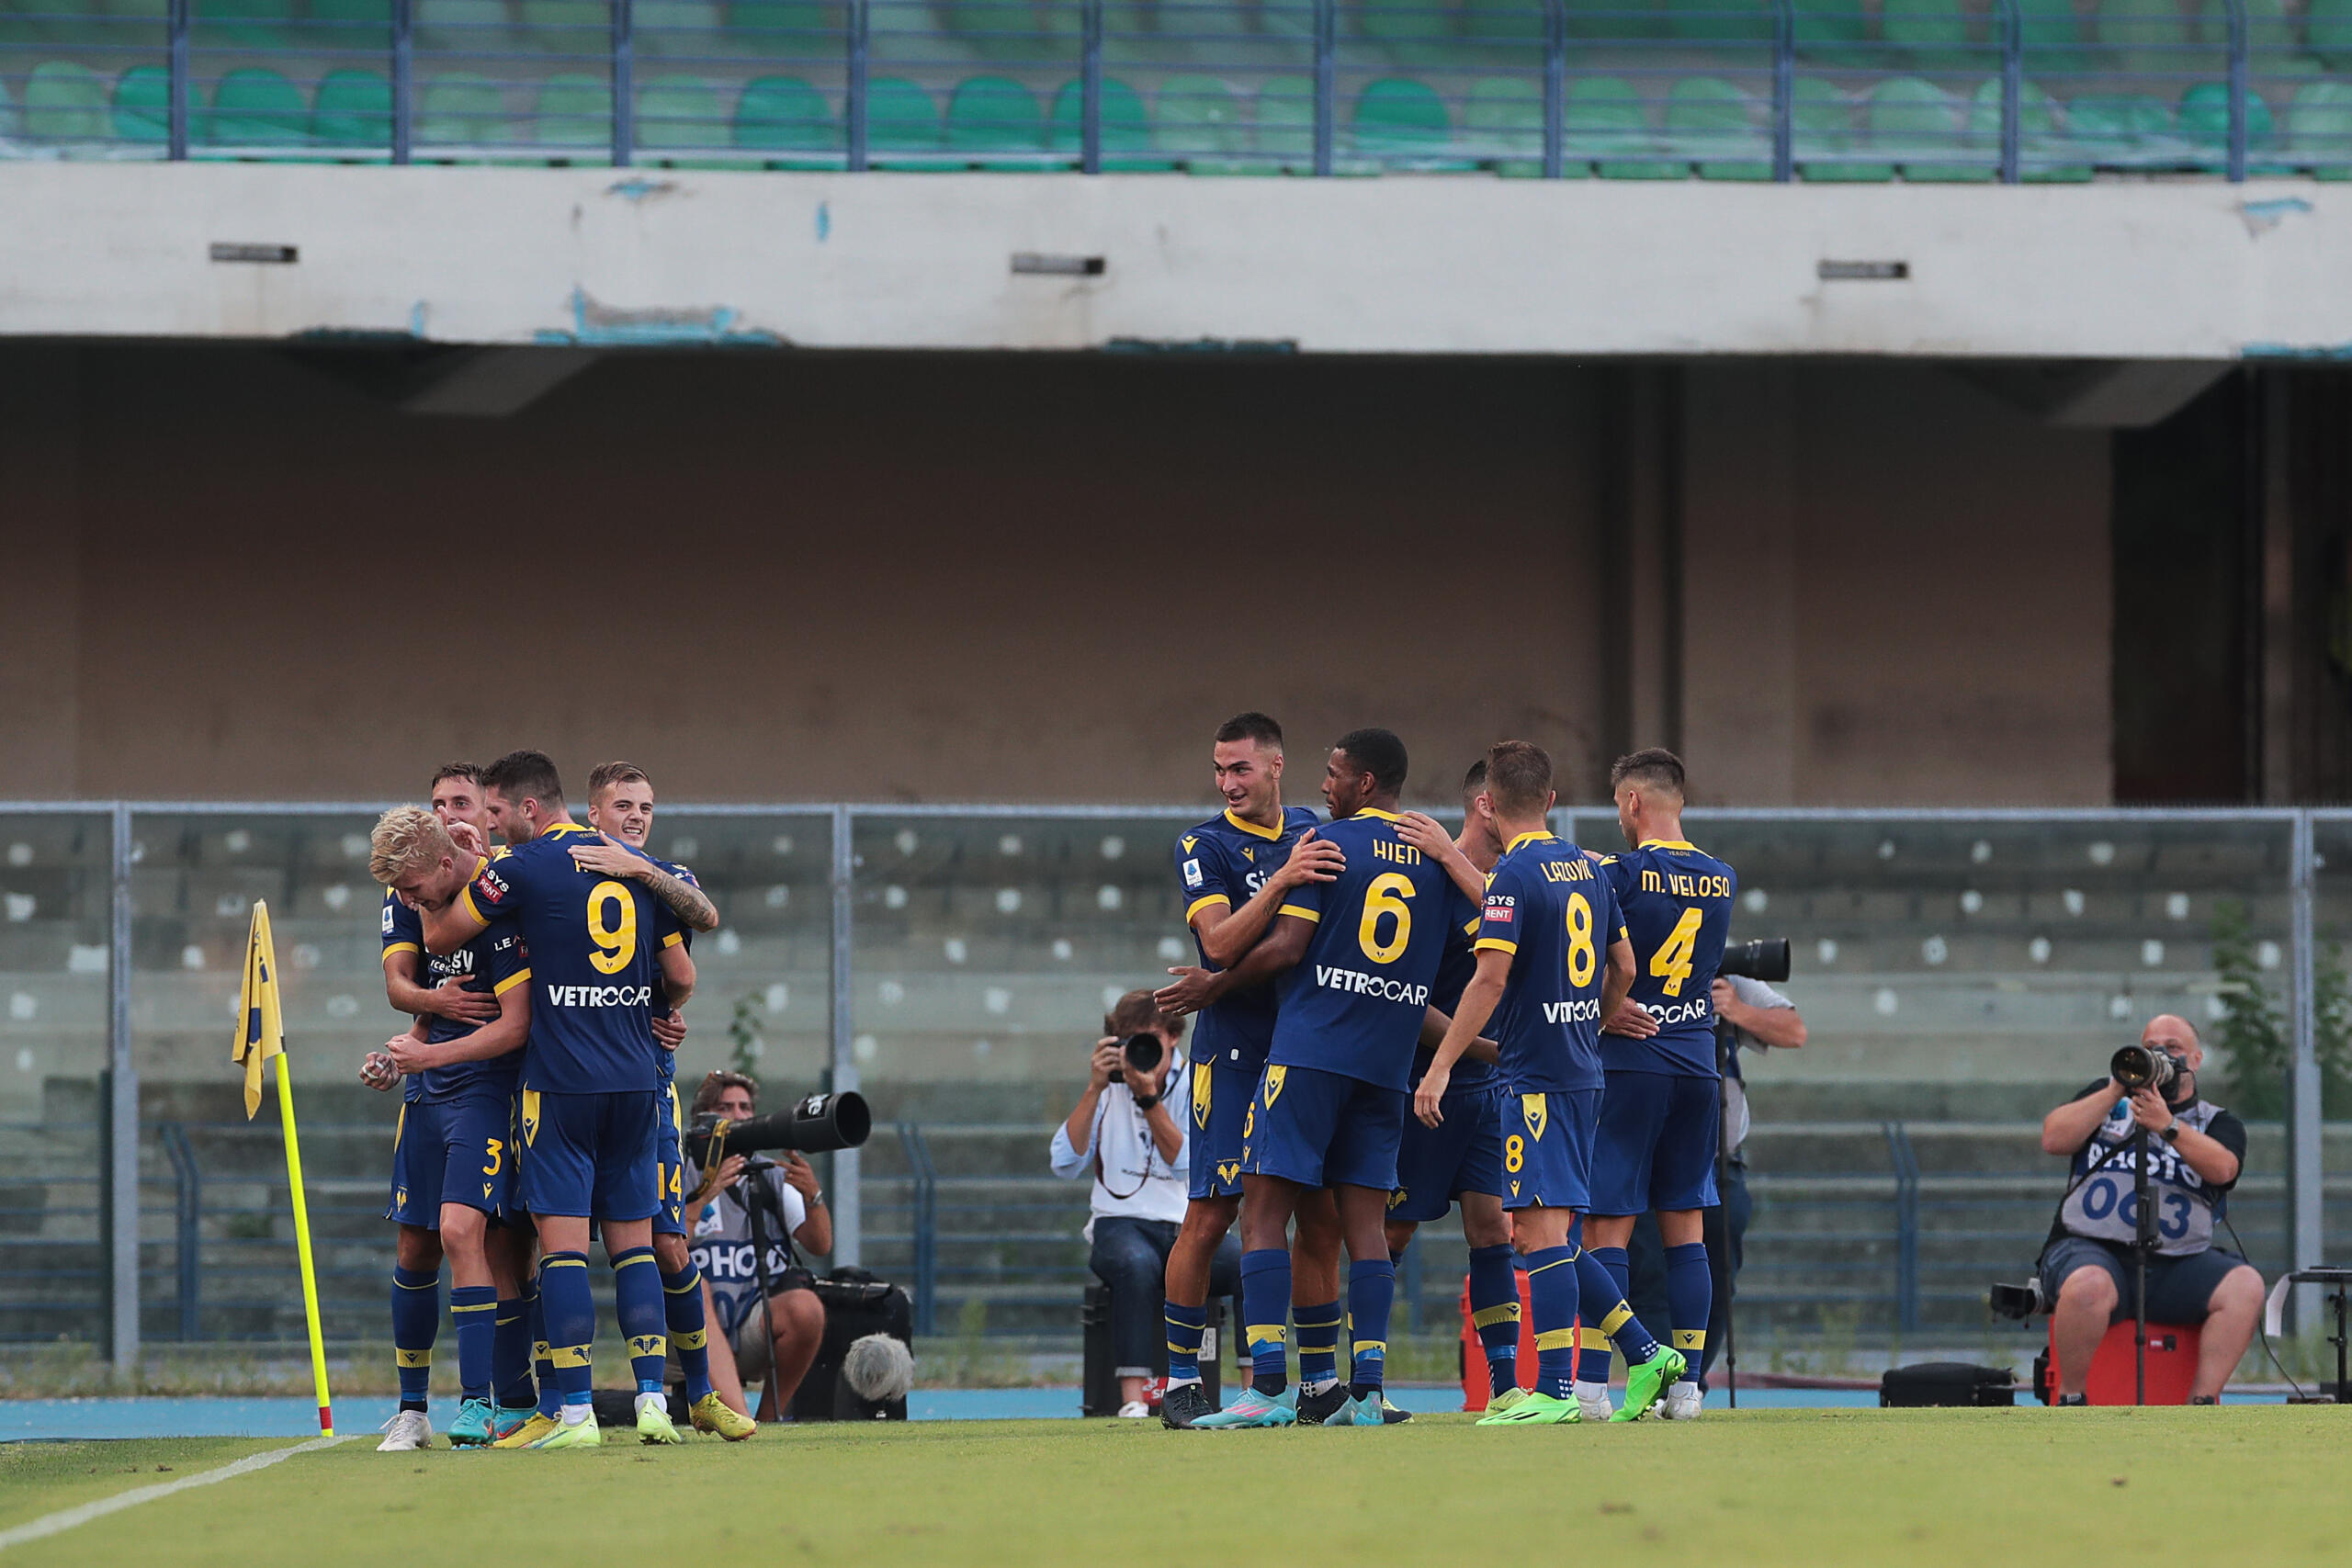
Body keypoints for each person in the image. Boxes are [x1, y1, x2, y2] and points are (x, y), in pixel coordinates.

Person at [1193, 727, 1477, 1428]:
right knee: (1367, 1230)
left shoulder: (1323, 846)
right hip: (1385, 1068)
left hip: (1311, 1053)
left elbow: (1288, 943)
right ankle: (1367, 1392)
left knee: (1262, 1214)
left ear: (1366, 782)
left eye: (1334, 773)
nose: (1325, 786)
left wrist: (1214, 984)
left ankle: (1266, 1389)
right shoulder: (1435, 861)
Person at [420, 749, 698, 1448]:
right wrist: (661, 1008)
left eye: (493, 813)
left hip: (562, 1084)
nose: (489, 823)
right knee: (636, 1251)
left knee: (565, 1253)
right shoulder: (637, 867)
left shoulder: (520, 867)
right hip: (638, 1081)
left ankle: (575, 1413)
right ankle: (653, 1405)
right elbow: (683, 972)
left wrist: (466, 862)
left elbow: (442, 932)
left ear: (527, 810)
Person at [1416, 741, 1680, 1425]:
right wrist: (1587, 1015)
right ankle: (1645, 1351)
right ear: (1553, 800)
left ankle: (1555, 1391)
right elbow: (1623, 962)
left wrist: (1441, 1064)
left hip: (1534, 1075)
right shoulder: (1588, 868)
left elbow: (1489, 977)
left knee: (1534, 1232)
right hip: (1583, 1069)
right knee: (1552, 1232)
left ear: (1489, 804)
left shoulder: (1512, 876)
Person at [1147, 712, 1347, 1430]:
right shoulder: (1204, 844)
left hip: (1306, 1051)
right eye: (1219, 770)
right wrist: (1285, 877)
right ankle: (1177, 1381)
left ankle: (1321, 1383)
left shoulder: (1313, 826)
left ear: (1276, 766)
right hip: (1231, 1052)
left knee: (1318, 1215)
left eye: (1241, 768)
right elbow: (1220, 943)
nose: (1228, 782)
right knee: (1211, 1214)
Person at [582, 761, 753, 1441]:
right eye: (622, 804)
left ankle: (695, 1392)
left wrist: (642, 870)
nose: (636, 815)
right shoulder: (561, 873)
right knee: (550, 1249)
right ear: (592, 812)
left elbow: (704, 920)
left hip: (646, 1084)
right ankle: (539, 1400)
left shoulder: (664, 879)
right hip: (564, 1087)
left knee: (667, 1243)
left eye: (646, 806)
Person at [365, 793, 535, 1451]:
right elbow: (417, 1003)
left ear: (444, 860)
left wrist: (430, 1051)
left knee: (466, 1230)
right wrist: (400, 1057)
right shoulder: (420, 904)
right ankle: (412, 1409)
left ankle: (479, 1401)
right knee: (414, 1245)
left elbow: (515, 1025)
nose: (406, 901)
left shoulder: (494, 909)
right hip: (428, 1094)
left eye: (412, 886)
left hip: (486, 1093)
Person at [1587, 748, 1737, 1420]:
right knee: (1686, 1226)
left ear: (1631, 804)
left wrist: (1601, 1004)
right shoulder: (1722, 878)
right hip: (1697, 1064)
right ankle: (1689, 1388)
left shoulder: (1620, 874)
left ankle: (1592, 1384)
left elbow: (1594, 958)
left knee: (1607, 1227)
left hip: (1632, 1060)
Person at [1385, 761, 1521, 1408]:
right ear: (1486, 806)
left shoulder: (1508, 886)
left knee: (1493, 1228)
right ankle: (1363, 1384)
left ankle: (1503, 1387)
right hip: (1423, 1088)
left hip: (1485, 1092)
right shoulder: (1427, 881)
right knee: (1390, 1235)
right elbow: (1407, 1000)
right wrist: (1487, 1048)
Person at [2037, 1013, 2261, 1405]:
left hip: (2178, 1262)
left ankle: (2202, 1404)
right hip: (2090, 1249)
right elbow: (2054, 1138)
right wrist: (2115, 1090)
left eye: (2172, 1047)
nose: (2160, 1053)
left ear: (2195, 1059)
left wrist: (2168, 1125)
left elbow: (2224, 1169)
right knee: (2089, 1285)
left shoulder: (2216, 1121)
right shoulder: (2105, 1099)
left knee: (2245, 1286)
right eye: (2150, 1046)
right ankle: (2071, 1399)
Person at [1050, 991, 1236, 1417]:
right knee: (1135, 1264)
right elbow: (1062, 1162)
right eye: (1128, 1042)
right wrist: (1095, 1089)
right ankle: (1133, 1400)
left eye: (1147, 1041)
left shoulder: (1195, 1083)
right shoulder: (1108, 1089)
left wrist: (1149, 1099)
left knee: (1246, 1263)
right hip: (1120, 1223)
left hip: (1186, 1222)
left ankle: (1254, 1390)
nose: (1140, 1053)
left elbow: (1188, 1163)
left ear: (1173, 1036)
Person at [1625, 973, 1807, 1392]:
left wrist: (1735, 1010)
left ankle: (1690, 1376)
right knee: (1649, 1275)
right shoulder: (1629, 962)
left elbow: (1795, 1030)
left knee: (1719, 1274)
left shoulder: (1721, 973)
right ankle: (1662, 1379)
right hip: (1644, 1158)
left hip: (1721, 1163)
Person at [685, 1072, 835, 1420]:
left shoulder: (768, 1174)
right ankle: (739, 1420)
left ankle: (769, 1419)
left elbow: (820, 1244)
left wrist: (813, 1196)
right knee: (696, 1287)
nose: (738, 1116)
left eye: (745, 1108)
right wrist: (705, 1196)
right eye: (725, 1108)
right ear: (703, 1118)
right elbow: (663, 1250)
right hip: (684, 1331)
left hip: (751, 1320)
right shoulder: (679, 1168)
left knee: (805, 1308)